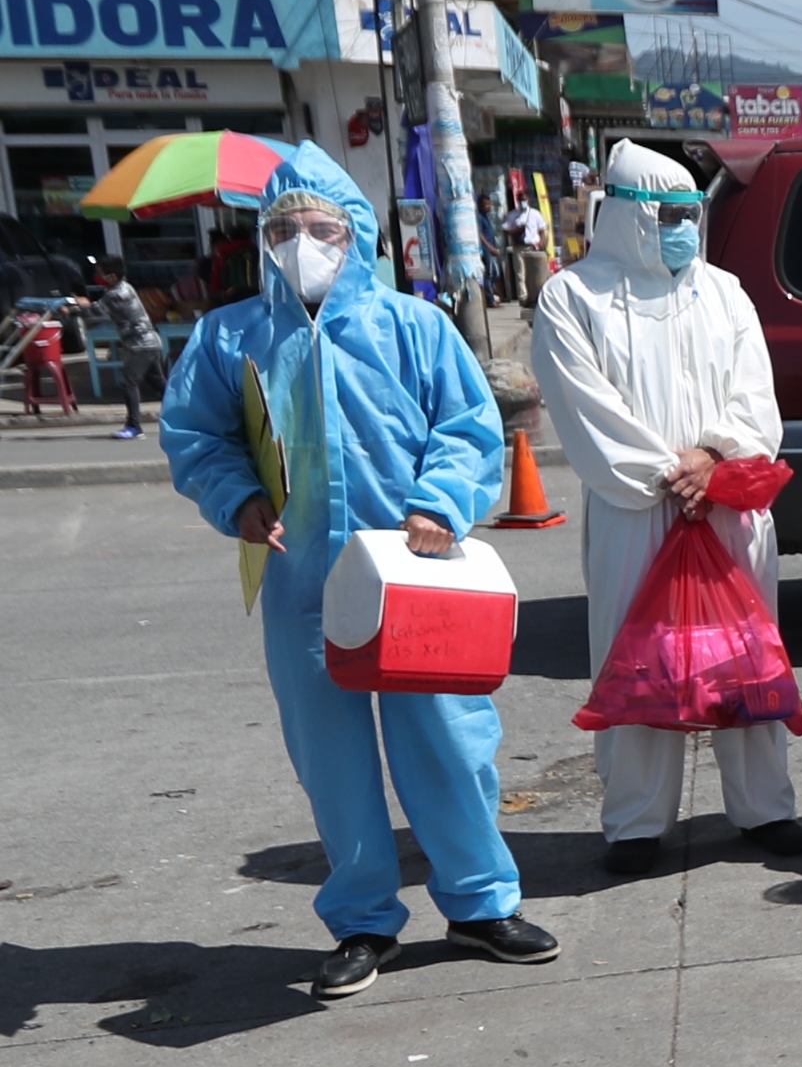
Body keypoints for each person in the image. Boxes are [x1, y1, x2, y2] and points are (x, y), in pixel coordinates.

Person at [159, 142, 559, 997]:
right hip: (301, 581)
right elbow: (197, 437)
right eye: (284, 228)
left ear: (358, 236)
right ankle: (364, 921)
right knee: (331, 759)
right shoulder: (232, 336)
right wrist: (237, 499)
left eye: (323, 227)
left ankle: (481, 903)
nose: (304, 241)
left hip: (416, 578)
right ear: (261, 239)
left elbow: (468, 427)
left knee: (450, 744)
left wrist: (441, 503)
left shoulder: (413, 327)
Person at [532, 139, 802, 876]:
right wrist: (671, 473)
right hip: (636, 512)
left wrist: (717, 458)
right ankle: (635, 821)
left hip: (729, 503)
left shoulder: (723, 292)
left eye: (693, 212)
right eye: (671, 213)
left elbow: (757, 398)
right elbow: (584, 408)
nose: (687, 226)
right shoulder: (573, 297)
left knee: (746, 657)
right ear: (628, 217)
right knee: (638, 660)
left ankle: (763, 807)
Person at [64, 255, 164, 440]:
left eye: (99, 273)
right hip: (148, 343)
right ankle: (193, 416)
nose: (96, 276)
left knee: (128, 382)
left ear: (112, 277)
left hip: (141, 344)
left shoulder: (117, 293)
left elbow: (95, 312)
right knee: (160, 386)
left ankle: (134, 426)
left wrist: (72, 309)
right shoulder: (123, 288)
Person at [502, 196, 547, 304]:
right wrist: (517, 230)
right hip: (519, 247)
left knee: (535, 272)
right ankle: (523, 297)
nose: (523, 202)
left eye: (525, 200)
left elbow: (543, 229)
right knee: (520, 273)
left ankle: (536, 294)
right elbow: (506, 229)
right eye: (521, 200)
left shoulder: (535, 214)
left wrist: (542, 243)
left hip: (532, 247)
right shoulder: (512, 215)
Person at [477, 194, 503, 306]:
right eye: (486, 204)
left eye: (490, 203)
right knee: (489, 274)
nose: (489, 206)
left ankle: (491, 297)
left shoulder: (486, 217)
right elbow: (480, 235)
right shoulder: (479, 217)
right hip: (486, 250)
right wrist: (490, 248)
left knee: (495, 274)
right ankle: (490, 300)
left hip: (491, 250)